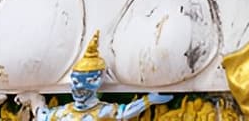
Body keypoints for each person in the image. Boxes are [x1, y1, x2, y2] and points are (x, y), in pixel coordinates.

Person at [15, 32, 171, 121]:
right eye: (75, 82)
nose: (79, 88)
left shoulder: (102, 112)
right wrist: (33, 98)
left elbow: (124, 112)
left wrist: (149, 100)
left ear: (97, 82)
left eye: (86, 82)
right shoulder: (62, 113)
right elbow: (43, 115)